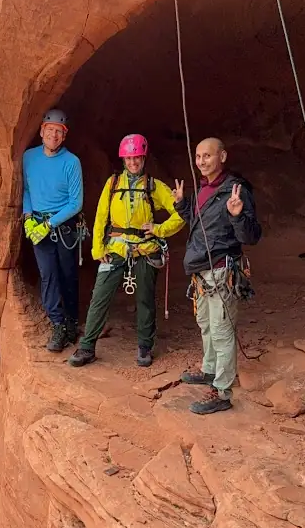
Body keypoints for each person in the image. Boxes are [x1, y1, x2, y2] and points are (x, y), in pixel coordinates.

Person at [68, 134, 184, 369]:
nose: (133, 162)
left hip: (144, 248)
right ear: (123, 160)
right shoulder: (112, 184)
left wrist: (159, 229)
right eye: (129, 158)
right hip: (116, 248)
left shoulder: (153, 186)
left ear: (144, 158)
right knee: (100, 296)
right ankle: (87, 346)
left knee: (145, 299)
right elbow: (101, 216)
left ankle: (144, 346)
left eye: (137, 158)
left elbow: (181, 213)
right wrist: (98, 248)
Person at [175, 137, 262, 414]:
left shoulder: (235, 191)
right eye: (198, 156)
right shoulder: (203, 188)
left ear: (222, 157)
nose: (201, 161)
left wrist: (237, 215)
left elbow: (250, 236)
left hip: (222, 271)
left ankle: (222, 392)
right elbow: (201, 226)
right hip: (202, 271)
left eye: (207, 156)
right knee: (206, 324)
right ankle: (210, 370)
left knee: (222, 331)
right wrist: (182, 206)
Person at [22, 108, 85, 352]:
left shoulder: (71, 162)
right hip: (38, 223)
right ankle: (58, 325)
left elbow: (76, 203)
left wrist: (49, 225)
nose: (54, 135)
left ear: (64, 135)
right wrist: (28, 217)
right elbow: (27, 189)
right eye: (50, 130)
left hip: (62, 226)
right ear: (42, 131)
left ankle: (71, 322)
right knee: (48, 276)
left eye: (59, 132)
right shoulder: (29, 158)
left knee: (67, 275)